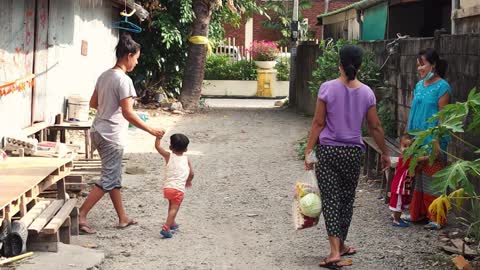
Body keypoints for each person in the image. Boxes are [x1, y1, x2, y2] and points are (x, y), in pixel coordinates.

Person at [305, 45, 391, 269]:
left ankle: (335, 252)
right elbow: (375, 126)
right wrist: (385, 153)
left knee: (332, 200)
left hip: (328, 152)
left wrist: (308, 151)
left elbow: (318, 123)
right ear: (359, 66)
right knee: (346, 200)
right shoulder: (367, 93)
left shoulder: (327, 88)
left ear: (340, 64)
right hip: (352, 154)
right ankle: (340, 246)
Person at [78, 33, 165, 234]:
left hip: (98, 131)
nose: (136, 62)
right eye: (136, 58)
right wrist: (151, 130)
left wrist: (108, 105)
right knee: (109, 178)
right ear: (128, 56)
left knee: (113, 176)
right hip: (111, 135)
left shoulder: (105, 75)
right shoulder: (124, 80)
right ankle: (81, 215)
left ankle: (122, 217)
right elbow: (128, 112)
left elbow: (93, 103)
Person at [406, 48, 452, 230]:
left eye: (422, 64)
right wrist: (406, 134)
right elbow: (413, 110)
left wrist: (436, 141)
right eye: (418, 65)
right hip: (417, 137)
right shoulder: (419, 85)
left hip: (433, 139)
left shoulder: (443, 87)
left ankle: (437, 217)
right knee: (419, 178)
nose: (419, 68)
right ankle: (418, 214)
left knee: (434, 177)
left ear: (433, 65)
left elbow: (443, 116)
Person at [155, 133, 194, 238]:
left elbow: (158, 147)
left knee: (171, 205)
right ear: (186, 149)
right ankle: (166, 227)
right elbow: (192, 174)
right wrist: (188, 181)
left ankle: (172, 222)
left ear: (170, 147)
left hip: (168, 188)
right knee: (175, 208)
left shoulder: (168, 156)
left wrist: (158, 137)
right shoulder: (186, 159)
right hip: (178, 190)